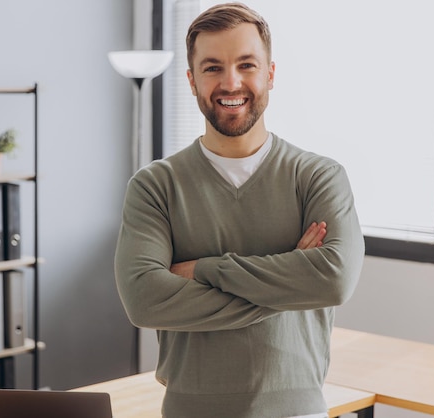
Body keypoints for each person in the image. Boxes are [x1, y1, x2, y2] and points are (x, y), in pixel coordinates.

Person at [114, 2, 365, 417]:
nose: (231, 83)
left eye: (246, 64)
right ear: (192, 81)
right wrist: (292, 279)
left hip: (298, 410)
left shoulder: (319, 177)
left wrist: (205, 270)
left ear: (270, 73)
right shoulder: (154, 186)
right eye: (212, 68)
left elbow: (334, 281)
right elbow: (144, 301)